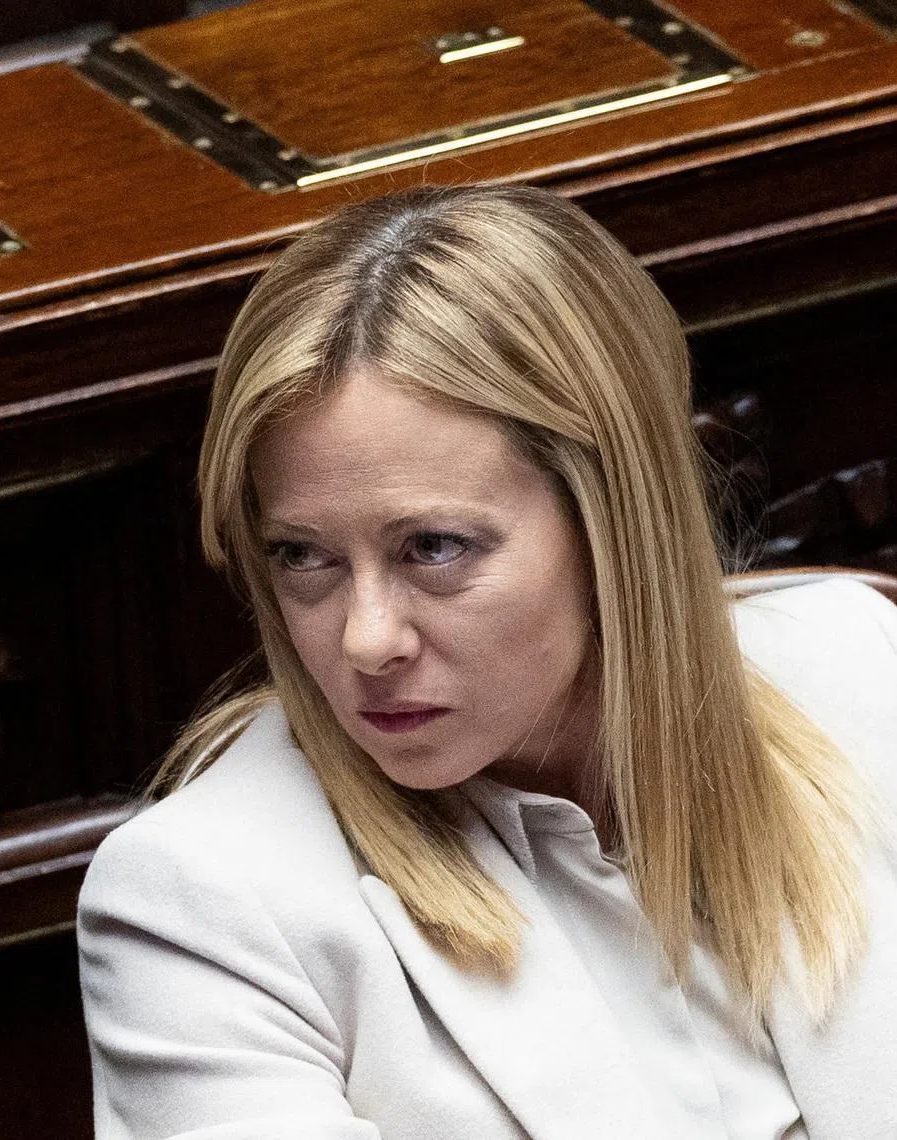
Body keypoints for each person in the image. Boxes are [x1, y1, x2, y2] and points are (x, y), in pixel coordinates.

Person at [77, 184, 897, 1140]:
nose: (366, 639)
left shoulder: (856, 665)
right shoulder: (204, 905)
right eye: (304, 557)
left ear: (612, 525)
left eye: (435, 547)